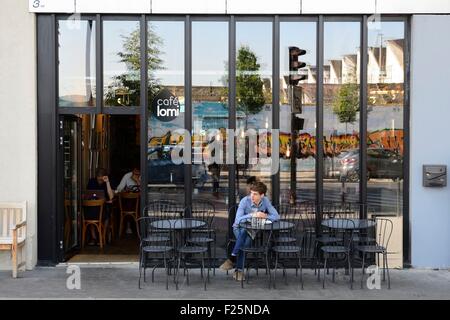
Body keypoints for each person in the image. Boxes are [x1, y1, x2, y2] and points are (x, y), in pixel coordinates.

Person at [220, 181, 279, 281]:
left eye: (255, 194)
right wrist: (252, 215)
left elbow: (276, 216)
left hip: (253, 229)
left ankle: (232, 258)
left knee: (245, 236)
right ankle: (239, 270)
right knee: (244, 235)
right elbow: (237, 220)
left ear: (262, 195)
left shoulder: (265, 201)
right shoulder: (244, 201)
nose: (252, 196)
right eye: (251, 193)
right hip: (238, 228)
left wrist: (265, 215)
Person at [85, 168, 115, 245]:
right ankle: (94, 238)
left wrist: (107, 182)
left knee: (106, 216)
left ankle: (102, 237)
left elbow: (111, 197)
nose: (100, 181)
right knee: (91, 216)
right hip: (92, 207)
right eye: (98, 178)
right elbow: (87, 194)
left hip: (103, 208)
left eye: (101, 179)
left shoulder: (106, 182)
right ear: (96, 177)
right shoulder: (92, 181)